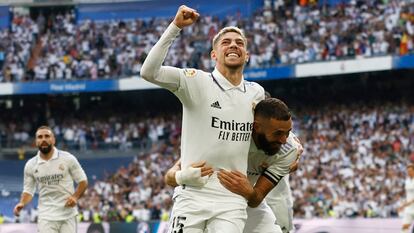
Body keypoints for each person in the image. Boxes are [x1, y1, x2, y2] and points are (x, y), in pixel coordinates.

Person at [141, 5, 265, 233]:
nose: (233, 45)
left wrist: (292, 145)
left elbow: (273, 127)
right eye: (226, 42)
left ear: (247, 55)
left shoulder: (256, 92)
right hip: (193, 194)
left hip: (232, 198)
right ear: (213, 54)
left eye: (240, 43)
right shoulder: (196, 81)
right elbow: (149, 72)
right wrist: (175, 27)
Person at [165, 98, 302, 233]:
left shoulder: (289, 151)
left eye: (288, 132)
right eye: (278, 133)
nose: (284, 140)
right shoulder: (226, 135)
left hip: (243, 199)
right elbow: (169, 177)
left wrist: (249, 192)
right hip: (200, 199)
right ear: (256, 126)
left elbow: (256, 199)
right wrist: (183, 176)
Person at [13, 126, 88, 233]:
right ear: (36, 141)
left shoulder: (68, 158)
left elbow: (83, 181)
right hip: (46, 217)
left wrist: (75, 197)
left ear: (53, 140)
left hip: (68, 215)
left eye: (47, 136)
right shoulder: (30, 165)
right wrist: (22, 203)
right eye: (40, 137)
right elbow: (29, 190)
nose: (43, 139)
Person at [399, 164, 414, 233]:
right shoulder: (407, 181)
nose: (408, 172)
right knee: (405, 226)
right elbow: (407, 194)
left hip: (410, 204)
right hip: (409, 208)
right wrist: (404, 203)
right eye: (407, 171)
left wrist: (408, 202)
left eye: (410, 171)